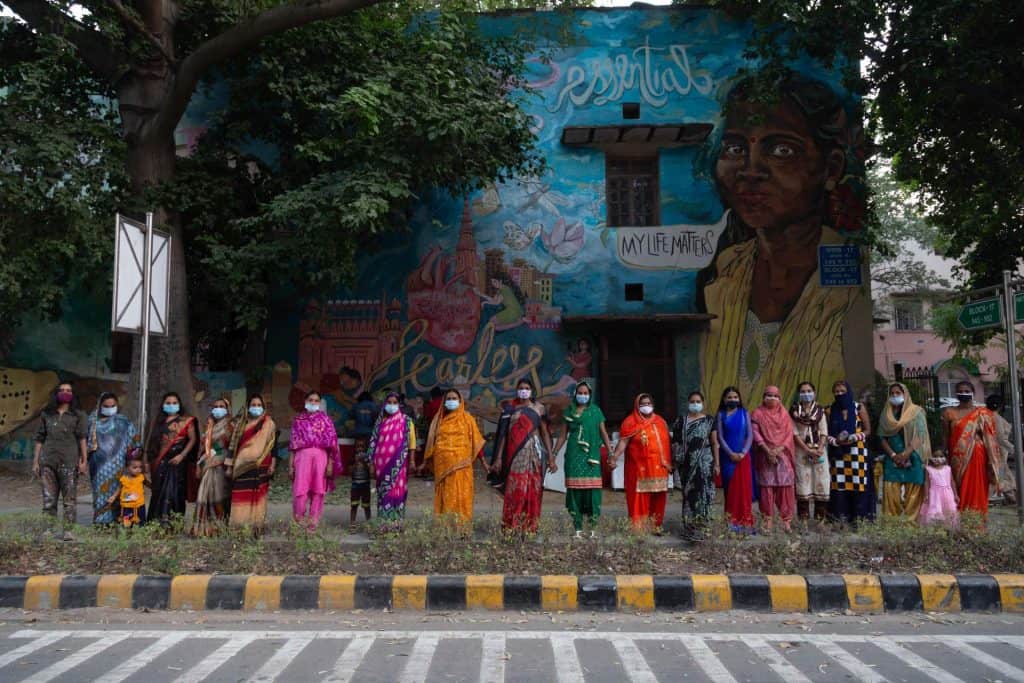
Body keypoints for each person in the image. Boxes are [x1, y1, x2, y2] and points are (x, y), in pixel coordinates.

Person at [699, 73, 860, 412]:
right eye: (735, 148)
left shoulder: (848, 277)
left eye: (782, 150)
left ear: (830, 168)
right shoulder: (722, 277)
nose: (750, 169)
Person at [492, 379, 555, 532]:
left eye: (527, 388)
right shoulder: (510, 409)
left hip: (534, 453)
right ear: (516, 390)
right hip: (514, 455)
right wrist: (499, 458)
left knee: (533, 487)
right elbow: (503, 435)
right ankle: (511, 525)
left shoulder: (539, 409)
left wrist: (551, 457)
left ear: (532, 391)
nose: (524, 391)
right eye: (521, 388)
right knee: (516, 488)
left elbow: (545, 433)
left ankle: (530, 525)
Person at [553, 381, 612, 538]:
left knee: (593, 491)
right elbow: (563, 435)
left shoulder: (596, 411)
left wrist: (610, 452)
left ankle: (592, 528)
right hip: (574, 455)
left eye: (586, 393)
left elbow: (604, 433)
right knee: (575, 491)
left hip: (592, 457)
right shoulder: (569, 411)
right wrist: (554, 453)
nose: (583, 395)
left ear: (590, 395)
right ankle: (577, 528)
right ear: (575, 393)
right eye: (580, 392)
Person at [421, 388, 486, 525]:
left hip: (463, 468)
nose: (451, 401)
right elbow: (431, 442)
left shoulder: (468, 420)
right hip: (442, 467)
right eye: (448, 399)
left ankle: (462, 528)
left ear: (460, 401)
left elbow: (476, 442)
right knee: (445, 496)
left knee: (462, 496)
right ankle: (445, 527)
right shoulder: (438, 421)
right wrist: (425, 462)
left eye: (454, 399)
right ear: (444, 402)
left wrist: (485, 464)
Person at [33, 382, 88, 535]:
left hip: (69, 461)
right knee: (49, 499)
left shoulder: (78, 415)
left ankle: (68, 531)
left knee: (69, 500)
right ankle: (48, 529)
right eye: (62, 390)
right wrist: (35, 461)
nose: (65, 393)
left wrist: (84, 461)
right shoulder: (47, 414)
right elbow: (40, 438)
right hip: (47, 461)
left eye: (69, 390)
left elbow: (82, 438)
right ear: (56, 393)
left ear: (73, 394)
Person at [612, 393, 671, 533]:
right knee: (640, 497)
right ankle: (638, 528)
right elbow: (623, 442)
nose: (646, 406)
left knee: (658, 497)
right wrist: (614, 457)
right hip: (639, 469)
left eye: (649, 403)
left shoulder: (661, 422)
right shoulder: (630, 422)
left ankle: (656, 526)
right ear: (637, 406)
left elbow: (667, 444)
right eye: (643, 404)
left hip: (659, 468)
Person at [943, 381, 1001, 516]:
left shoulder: (983, 413)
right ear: (956, 393)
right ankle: (961, 523)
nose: (963, 393)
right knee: (959, 488)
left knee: (977, 487)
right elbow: (945, 437)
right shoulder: (949, 413)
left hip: (977, 456)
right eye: (960, 391)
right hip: (957, 457)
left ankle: (978, 525)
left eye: (966, 391)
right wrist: (942, 452)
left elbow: (990, 438)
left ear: (973, 393)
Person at [288, 391, 340, 531]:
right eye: (310, 399)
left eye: (316, 400)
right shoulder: (298, 421)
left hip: (321, 458)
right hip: (301, 459)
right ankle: (299, 521)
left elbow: (332, 446)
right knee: (300, 490)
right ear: (305, 401)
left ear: (320, 403)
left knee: (318, 490)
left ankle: (313, 523)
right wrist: (290, 466)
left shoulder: (326, 421)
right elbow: (293, 446)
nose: (313, 402)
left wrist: (330, 464)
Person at [670, 391, 719, 539]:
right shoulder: (680, 421)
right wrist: (674, 462)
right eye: (692, 401)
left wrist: (717, 464)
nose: (695, 404)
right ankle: (689, 529)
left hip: (705, 462)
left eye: (698, 401)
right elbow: (675, 443)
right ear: (688, 403)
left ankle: (703, 528)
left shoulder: (710, 420)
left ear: (703, 403)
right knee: (689, 494)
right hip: (686, 465)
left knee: (704, 493)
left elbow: (715, 442)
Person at [877, 382, 930, 519]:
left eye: (898, 393)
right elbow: (882, 438)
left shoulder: (916, 412)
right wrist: (894, 455)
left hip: (913, 455)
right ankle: (891, 523)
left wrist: (906, 454)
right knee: (890, 489)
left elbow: (920, 434)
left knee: (914, 489)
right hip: (892, 457)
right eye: (892, 394)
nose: (894, 396)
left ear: (905, 395)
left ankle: (911, 523)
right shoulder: (886, 414)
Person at [226, 395, 277, 534]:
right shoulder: (241, 424)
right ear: (248, 407)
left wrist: (273, 464)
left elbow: (273, 446)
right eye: (253, 405)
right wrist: (229, 466)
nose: (256, 407)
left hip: (262, 466)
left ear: (263, 407)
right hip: (241, 467)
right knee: (241, 495)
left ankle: (256, 527)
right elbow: (232, 446)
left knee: (258, 495)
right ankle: (239, 527)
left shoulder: (269, 423)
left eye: (258, 405)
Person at [86, 392, 138, 525]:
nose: (109, 408)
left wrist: (133, 462)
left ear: (117, 405)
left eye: (113, 405)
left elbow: (135, 444)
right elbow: (85, 443)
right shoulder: (92, 422)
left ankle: (120, 520)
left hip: (119, 467)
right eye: (106, 406)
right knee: (101, 494)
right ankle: (102, 523)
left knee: (120, 492)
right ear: (100, 406)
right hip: (98, 468)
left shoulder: (124, 422)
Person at [147, 392, 198, 526]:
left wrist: (182, 455)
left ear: (179, 405)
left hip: (177, 462)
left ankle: (173, 524)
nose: (171, 405)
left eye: (174, 403)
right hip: (159, 463)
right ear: (163, 405)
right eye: (168, 403)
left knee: (174, 492)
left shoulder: (186, 421)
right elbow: (152, 442)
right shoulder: (158, 421)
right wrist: (148, 461)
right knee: (158, 492)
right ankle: (156, 522)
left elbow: (193, 439)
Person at [751, 385, 797, 533]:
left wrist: (779, 449)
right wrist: (767, 450)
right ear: (763, 397)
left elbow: (789, 434)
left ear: (780, 398)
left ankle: (786, 521)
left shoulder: (784, 414)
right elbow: (755, 433)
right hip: (765, 455)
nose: (771, 398)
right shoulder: (757, 413)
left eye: (775, 395)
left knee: (785, 488)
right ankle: (768, 520)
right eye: (768, 395)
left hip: (783, 455)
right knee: (766, 489)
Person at [826, 380, 873, 524]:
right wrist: (834, 441)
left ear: (849, 392)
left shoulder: (858, 407)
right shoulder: (830, 409)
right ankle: (840, 518)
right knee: (839, 484)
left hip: (857, 452)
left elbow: (868, 430)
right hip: (838, 453)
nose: (839, 394)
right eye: (837, 392)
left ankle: (860, 519)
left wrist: (855, 437)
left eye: (842, 391)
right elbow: (826, 432)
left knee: (858, 483)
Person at [367, 392, 418, 521]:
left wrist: (412, 461)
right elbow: (373, 442)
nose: (392, 405)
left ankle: (396, 523)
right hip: (381, 466)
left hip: (398, 465)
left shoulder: (406, 421)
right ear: (384, 404)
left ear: (399, 404)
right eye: (389, 402)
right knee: (383, 493)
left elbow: (412, 443)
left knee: (398, 491)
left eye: (395, 403)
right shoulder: (380, 422)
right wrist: (371, 463)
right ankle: (384, 524)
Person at [190, 397, 234, 537]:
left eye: (222, 406)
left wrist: (225, 462)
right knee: (204, 493)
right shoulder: (208, 427)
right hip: (207, 465)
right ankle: (204, 528)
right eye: (215, 406)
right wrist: (199, 464)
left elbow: (232, 447)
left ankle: (220, 527)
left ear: (227, 410)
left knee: (219, 495)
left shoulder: (231, 426)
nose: (218, 409)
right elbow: (203, 448)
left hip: (221, 465)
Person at [716, 387, 758, 532]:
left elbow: (750, 436)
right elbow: (720, 437)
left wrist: (743, 453)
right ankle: (731, 523)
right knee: (730, 490)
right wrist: (731, 453)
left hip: (743, 458)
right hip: (728, 458)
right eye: (729, 397)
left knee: (744, 491)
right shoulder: (721, 415)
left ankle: (745, 523)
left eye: (735, 397)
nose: (732, 399)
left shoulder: (744, 413)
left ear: (739, 399)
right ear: (724, 399)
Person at [790, 381, 829, 521]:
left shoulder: (820, 411)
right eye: (803, 391)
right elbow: (794, 434)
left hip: (819, 451)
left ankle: (821, 521)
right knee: (803, 484)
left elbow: (824, 432)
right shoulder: (794, 411)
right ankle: (804, 522)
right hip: (801, 452)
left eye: (809, 391)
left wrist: (819, 448)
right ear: (799, 394)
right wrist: (807, 449)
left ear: (814, 393)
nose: (806, 394)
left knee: (821, 483)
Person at [985, 395, 1017, 505]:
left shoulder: (987, 416)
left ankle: (1011, 498)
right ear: (1000, 406)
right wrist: (1015, 450)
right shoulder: (995, 418)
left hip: (995, 450)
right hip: (999, 451)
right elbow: (1000, 438)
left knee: (1001, 475)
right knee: (1001, 475)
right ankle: (1011, 497)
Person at [919, 450, 959, 528]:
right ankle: (936, 531)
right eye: (935, 456)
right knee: (935, 513)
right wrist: (926, 495)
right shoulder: (929, 469)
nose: (938, 458)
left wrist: (955, 494)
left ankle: (948, 530)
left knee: (949, 513)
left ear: (944, 458)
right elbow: (926, 482)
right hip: (935, 496)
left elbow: (952, 481)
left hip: (948, 496)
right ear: (931, 458)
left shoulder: (947, 469)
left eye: (941, 456)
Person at [108, 455, 149, 528]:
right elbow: (119, 489)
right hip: (127, 505)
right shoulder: (124, 479)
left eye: (140, 467)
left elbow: (148, 484)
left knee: (140, 522)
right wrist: (113, 497)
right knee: (127, 521)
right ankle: (127, 531)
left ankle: (140, 531)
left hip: (139, 505)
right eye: (135, 467)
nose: (138, 470)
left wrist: (154, 488)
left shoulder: (141, 477)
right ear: (127, 468)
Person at [350, 436, 372, 527]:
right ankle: (352, 524)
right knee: (354, 505)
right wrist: (355, 462)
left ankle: (369, 524)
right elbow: (350, 471)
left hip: (365, 484)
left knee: (366, 506)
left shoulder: (367, 458)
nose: (360, 449)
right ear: (355, 448)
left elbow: (371, 472)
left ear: (365, 448)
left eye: (362, 446)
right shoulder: (352, 458)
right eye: (358, 447)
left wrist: (364, 462)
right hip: (355, 485)